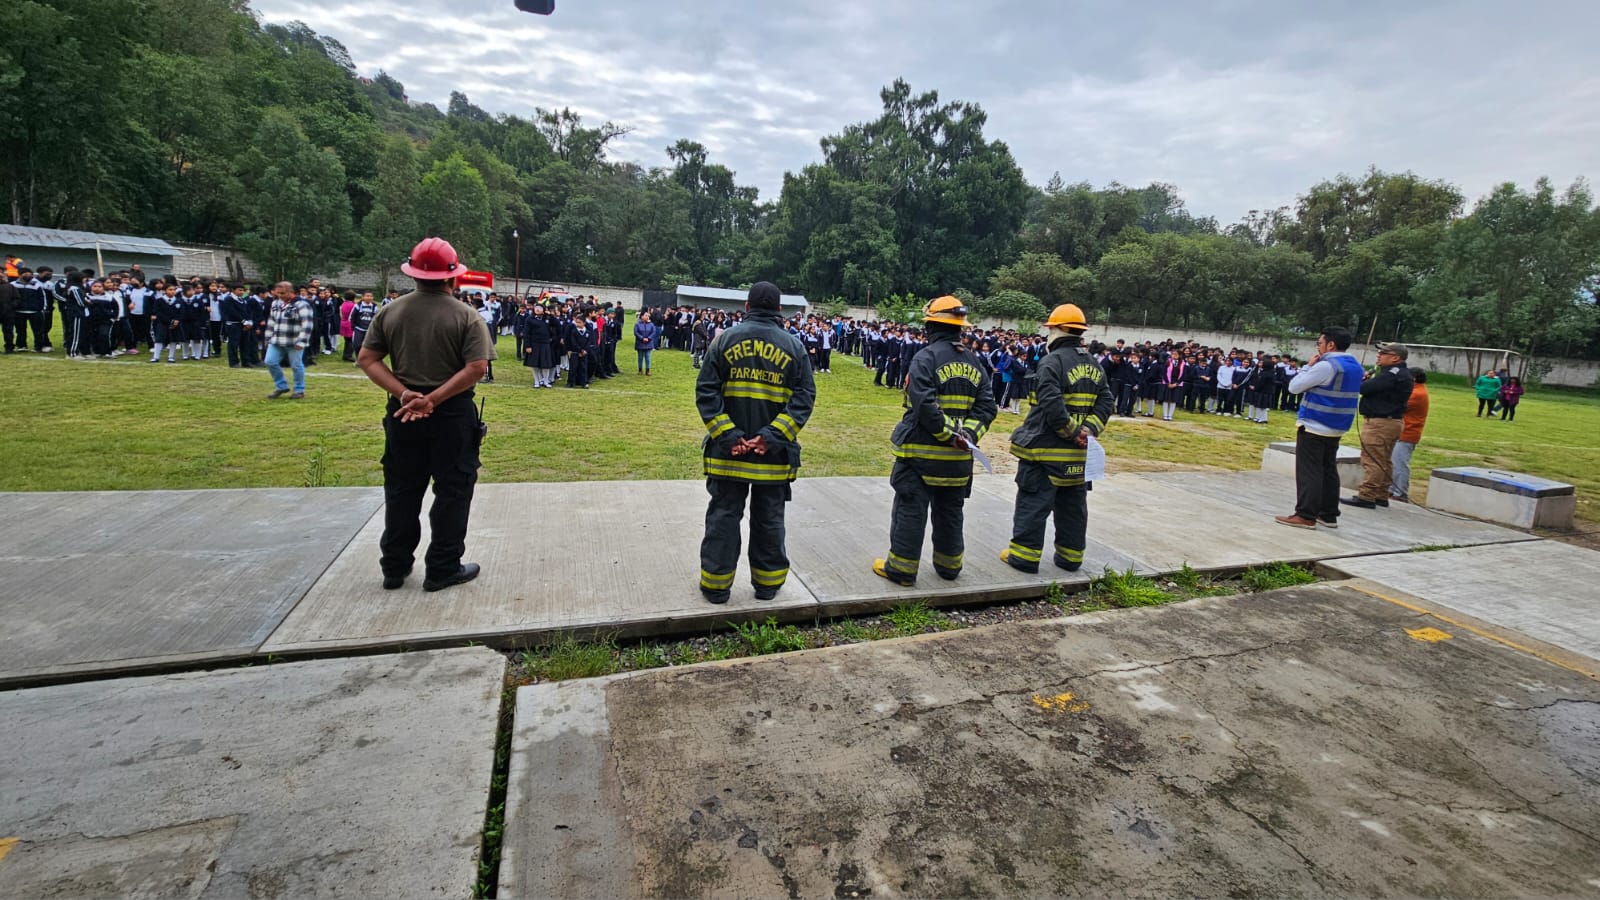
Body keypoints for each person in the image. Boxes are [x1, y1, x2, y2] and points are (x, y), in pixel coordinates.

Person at [356, 236, 495, 593]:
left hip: (403, 413)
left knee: (402, 490)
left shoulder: (392, 310)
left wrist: (405, 393)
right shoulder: (466, 316)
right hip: (451, 416)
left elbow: (367, 359)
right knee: (453, 491)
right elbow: (477, 367)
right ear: (454, 277)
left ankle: (394, 567)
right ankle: (443, 568)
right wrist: (433, 399)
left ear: (413, 274)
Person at [695, 282, 816, 604]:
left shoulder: (724, 341)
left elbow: (706, 391)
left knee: (723, 516)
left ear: (747, 307)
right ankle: (767, 585)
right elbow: (804, 399)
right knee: (770, 519)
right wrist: (772, 436)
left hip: (728, 455)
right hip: (772, 457)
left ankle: (716, 586)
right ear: (779, 310)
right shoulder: (794, 347)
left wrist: (729, 435)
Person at [873, 296, 997, 585]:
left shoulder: (925, 358)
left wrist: (948, 435)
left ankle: (902, 570)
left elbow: (924, 404)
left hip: (920, 457)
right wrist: (967, 436)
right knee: (951, 513)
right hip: (957, 461)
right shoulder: (973, 361)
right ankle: (949, 567)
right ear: (960, 329)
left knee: (910, 510)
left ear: (931, 324)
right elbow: (987, 407)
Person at [1000, 304, 1114, 574]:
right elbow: (1106, 400)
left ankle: (1024, 557)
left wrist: (1073, 432)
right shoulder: (1093, 364)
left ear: (1058, 330)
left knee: (1033, 504)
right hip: (1077, 456)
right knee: (1073, 510)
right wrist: (1089, 431)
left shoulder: (1052, 362)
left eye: (1050, 329)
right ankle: (1070, 558)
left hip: (1045, 453)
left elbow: (1051, 405)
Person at [1276, 327, 1363, 529]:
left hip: (1315, 424)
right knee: (1328, 470)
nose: (1319, 347)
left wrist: (1307, 367)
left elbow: (1294, 387)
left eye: (1320, 343)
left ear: (1331, 344)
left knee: (1309, 471)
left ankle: (1306, 514)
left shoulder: (1326, 366)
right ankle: (1328, 514)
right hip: (1337, 425)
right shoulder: (1354, 366)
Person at [1343, 342, 1413, 510]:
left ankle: (1367, 495)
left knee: (1372, 459)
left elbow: (1364, 388)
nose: (1379, 355)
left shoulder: (1390, 374)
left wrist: (1364, 381)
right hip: (1392, 422)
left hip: (1380, 422)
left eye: (1384, 353)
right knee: (1384, 459)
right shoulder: (1402, 373)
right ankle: (1381, 494)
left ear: (1395, 357)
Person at [263, 281, 313, 398]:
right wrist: (267, 338)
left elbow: (307, 325)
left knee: (296, 366)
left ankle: (299, 390)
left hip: (294, 342)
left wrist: (302, 341)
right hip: (276, 341)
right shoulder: (275, 303)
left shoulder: (302, 304)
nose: (280, 296)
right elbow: (271, 322)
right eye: (278, 293)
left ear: (291, 292)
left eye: (283, 293)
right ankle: (281, 386)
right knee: (269, 362)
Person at [1390, 368, 1429, 503]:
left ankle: (1400, 492)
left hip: (1407, 432)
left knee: (1400, 464)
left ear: (1413, 379)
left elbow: (1395, 403)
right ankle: (1393, 489)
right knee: (1395, 462)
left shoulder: (1416, 393)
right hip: (1405, 432)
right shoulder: (1418, 390)